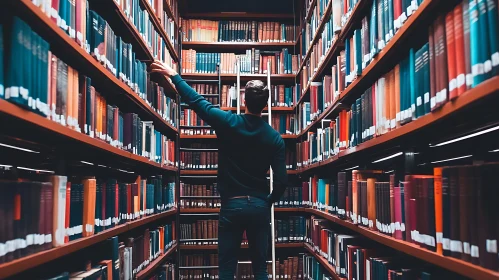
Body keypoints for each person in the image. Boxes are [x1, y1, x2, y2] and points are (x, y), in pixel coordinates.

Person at [150, 61, 288, 280]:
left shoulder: (228, 122)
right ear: (265, 104)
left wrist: (175, 76)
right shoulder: (275, 138)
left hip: (232, 205)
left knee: (225, 270)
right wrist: (266, 202)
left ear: (244, 101)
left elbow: (198, 102)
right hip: (259, 206)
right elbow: (281, 181)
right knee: (261, 269)